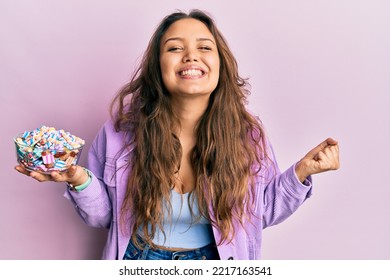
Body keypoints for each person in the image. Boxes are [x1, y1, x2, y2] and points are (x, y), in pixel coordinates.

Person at [15, 9, 340, 260]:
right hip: (138, 260)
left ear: (219, 64)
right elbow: (102, 217)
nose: (190, 55)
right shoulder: (119, 133)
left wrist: (302, 172)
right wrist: (76, 175)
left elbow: (261, 213)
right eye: (174, 48)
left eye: (204, 47)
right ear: (158, 66)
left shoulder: (247, 135)